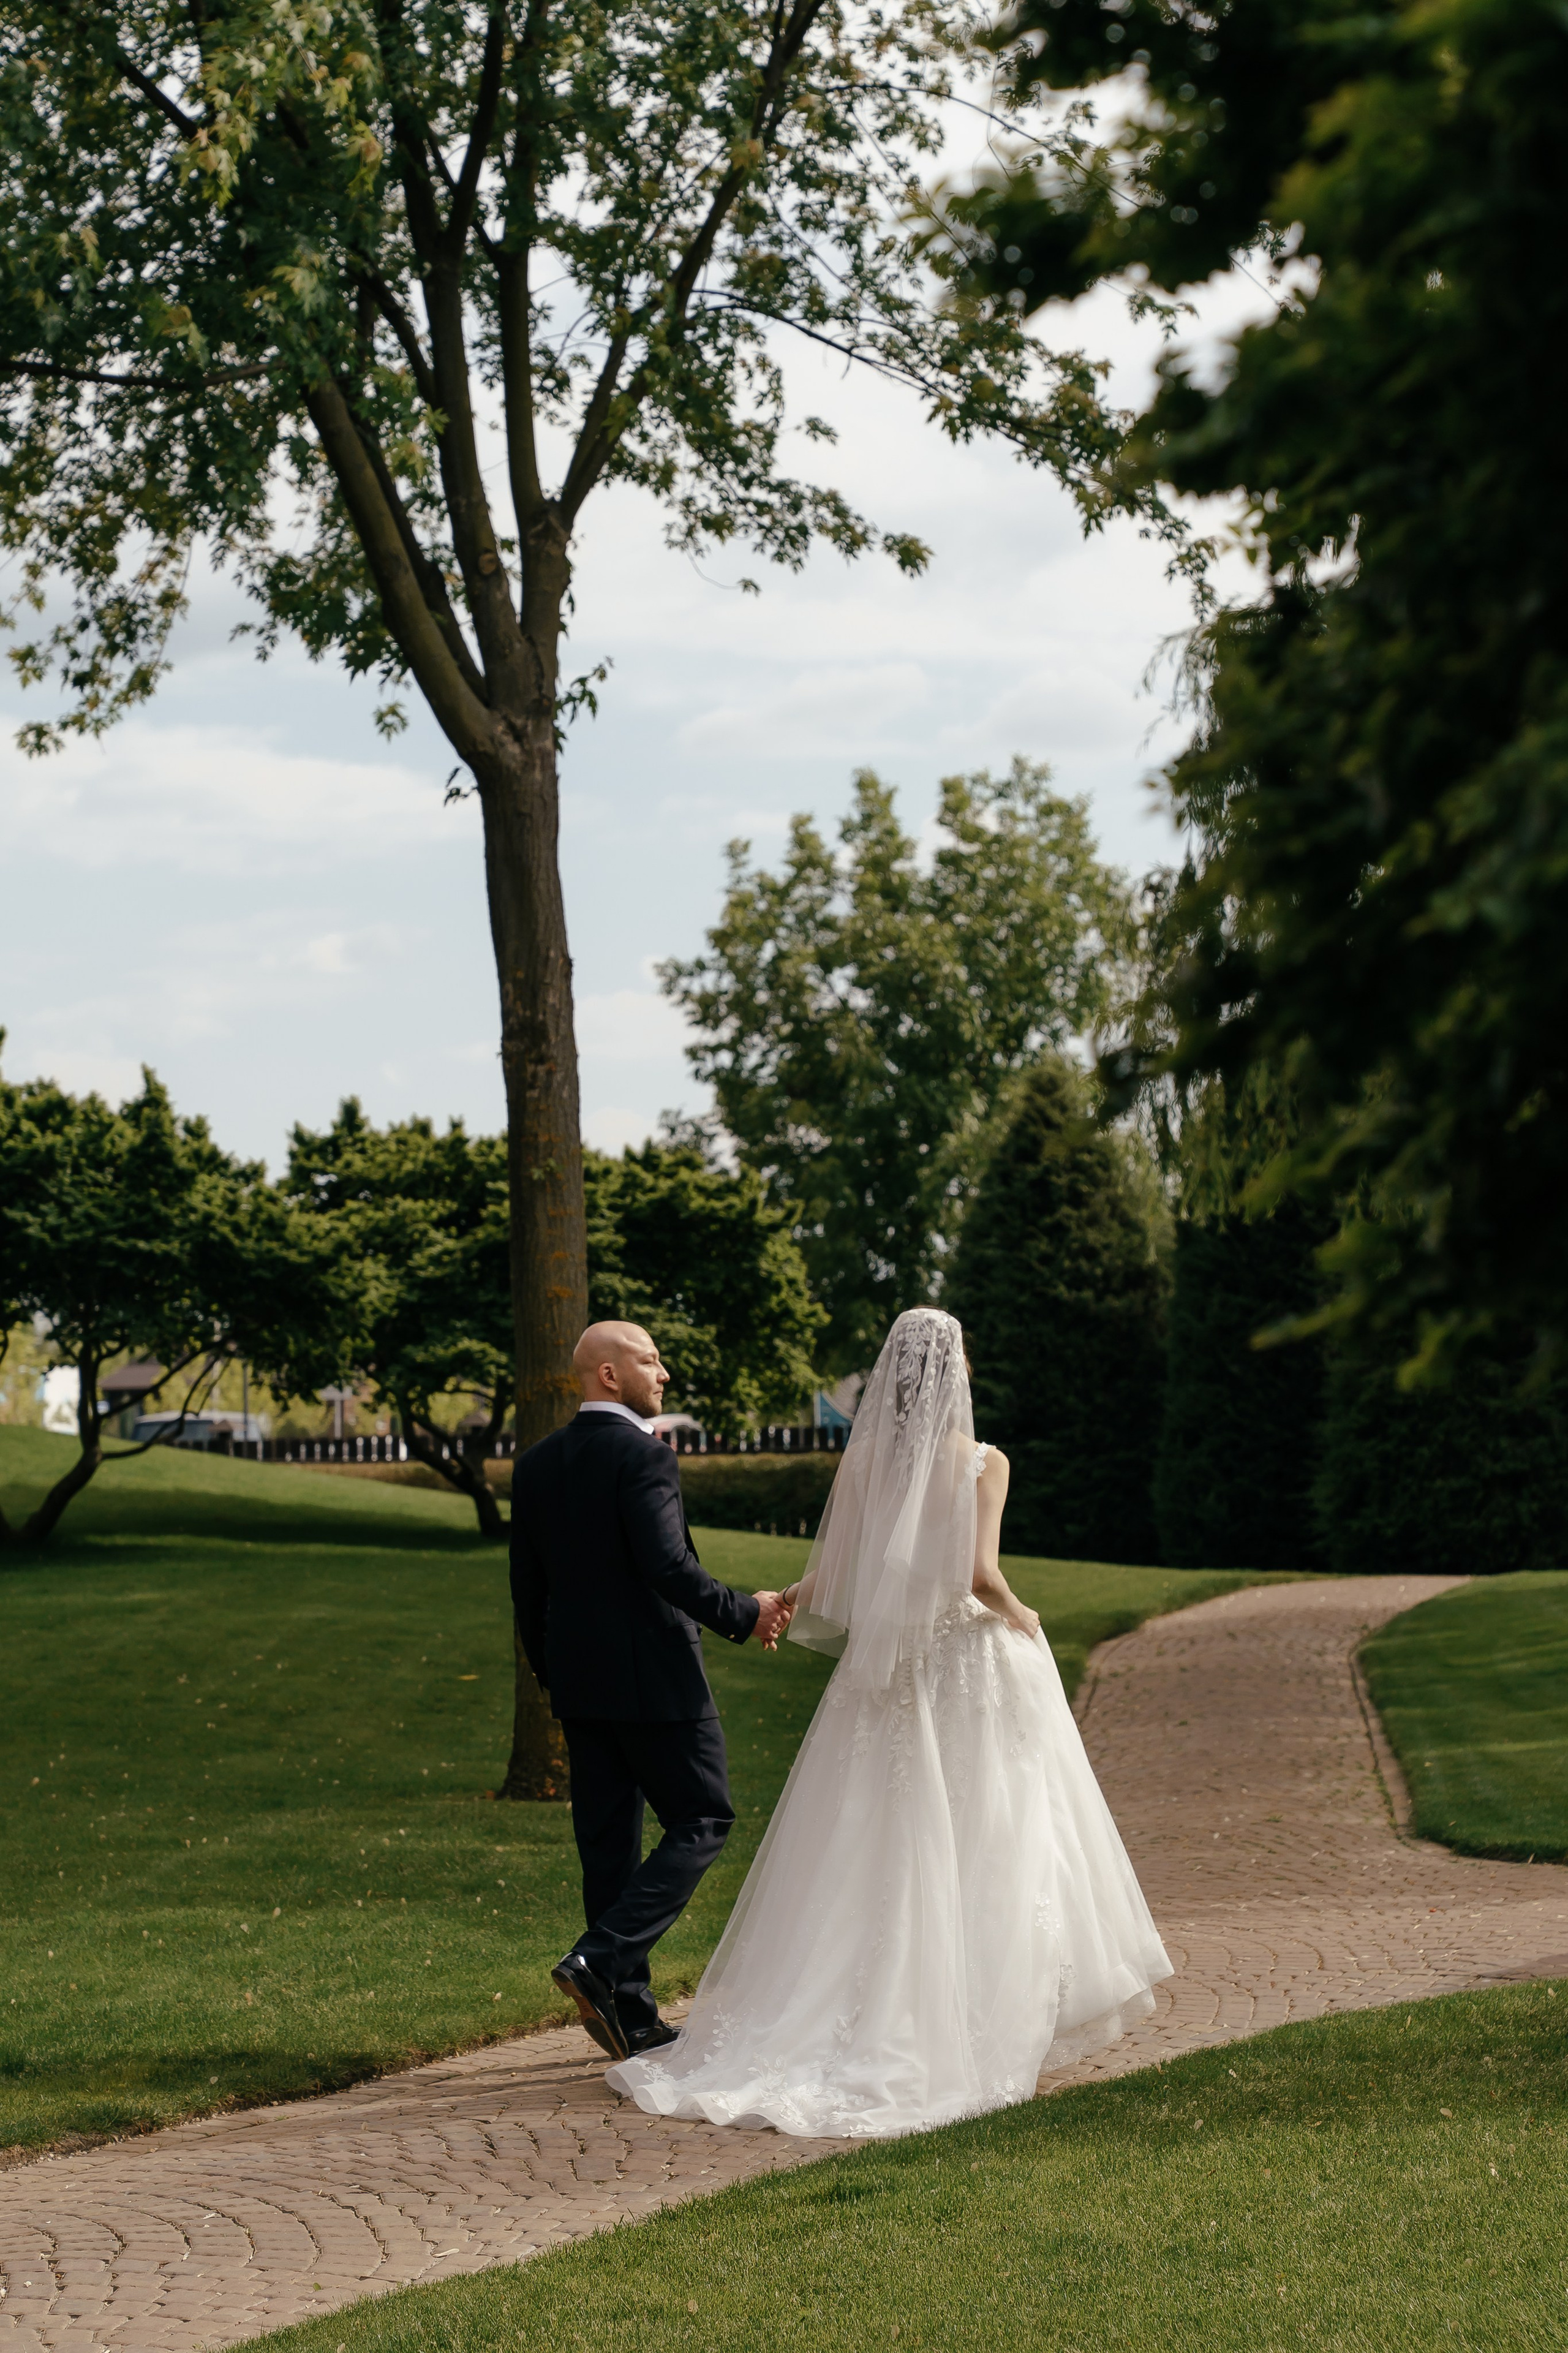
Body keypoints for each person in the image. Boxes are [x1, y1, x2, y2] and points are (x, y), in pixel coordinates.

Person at [606, 1306, 1172, 2138]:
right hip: (965, 1668)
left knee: (872, 1838)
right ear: (955, 1371)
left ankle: (853, 2007)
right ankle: (973, 2007)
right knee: (989, 1832)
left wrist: (785, 1601)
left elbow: (835, 1568)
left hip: (889, 1677)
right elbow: (981, 1575)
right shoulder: (984, 1462)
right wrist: (1025, 1610)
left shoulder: (864, 1460)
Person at [510, 1320, 792, 2061]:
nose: (662, 1372)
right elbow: (668, 1568)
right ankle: (600, 1958)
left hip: (580, 1685)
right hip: (659, 1680)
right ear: (608, 1375)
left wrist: (554, 1674)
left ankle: (631, 2017)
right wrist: (747, 1611)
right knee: (704, 1816)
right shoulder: (645, 1457)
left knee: (607, 1848)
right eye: (649, 1360)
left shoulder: (536, 1464)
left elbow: (526, 1589)